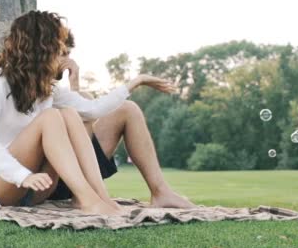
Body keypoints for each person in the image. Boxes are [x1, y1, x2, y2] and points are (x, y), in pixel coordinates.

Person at [0, 10, 181, 215]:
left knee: (69, 113)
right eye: (59, 48)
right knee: (51, 117)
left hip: (38, 187)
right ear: (41, 48)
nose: (63, 55)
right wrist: (22, 176)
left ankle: (100, 197)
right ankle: (87, 199)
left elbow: (94, 109)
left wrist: (135, 82)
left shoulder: (48, 90)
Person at [49, 31, 196, 209]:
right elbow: (86, 113)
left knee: (127, 109)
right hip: (54, 178)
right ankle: (83, 194)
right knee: (85, 105)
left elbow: (88, 110)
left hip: (79, 166)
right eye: (63, 53)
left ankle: (161, 192)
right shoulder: (42, 90)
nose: (68, 61)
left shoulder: (55, 90)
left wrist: (74, 83)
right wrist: (137, 81)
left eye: (69, 54)